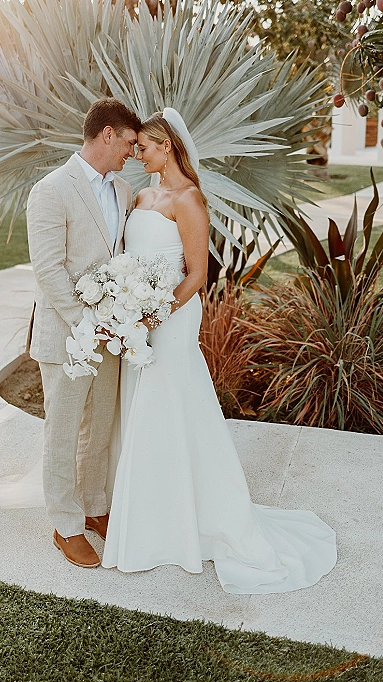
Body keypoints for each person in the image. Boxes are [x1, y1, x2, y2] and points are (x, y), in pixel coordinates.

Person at [101, 108, 337, 594]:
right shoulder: (142, 195)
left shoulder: (189, 200)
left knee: (167, 405)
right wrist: (126, 303)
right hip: (140, 319)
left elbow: (197, 275)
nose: (136, 154)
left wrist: (155, 312)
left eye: (143, 147)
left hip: (172, 318)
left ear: (166, 146)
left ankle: (185, 524)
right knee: (145, 411)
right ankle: (156, 516)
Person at [25, 97, 140, 569]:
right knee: (64, 429)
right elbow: (48, 269)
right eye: (129, 143)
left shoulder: (126, 191)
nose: (133, 152)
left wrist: (120, 317)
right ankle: (65, 523)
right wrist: (84, 322)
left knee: (100, 428)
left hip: (111, 335)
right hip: (69, 334)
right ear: (107, 135)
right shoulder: (51, 190)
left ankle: (95, 507)